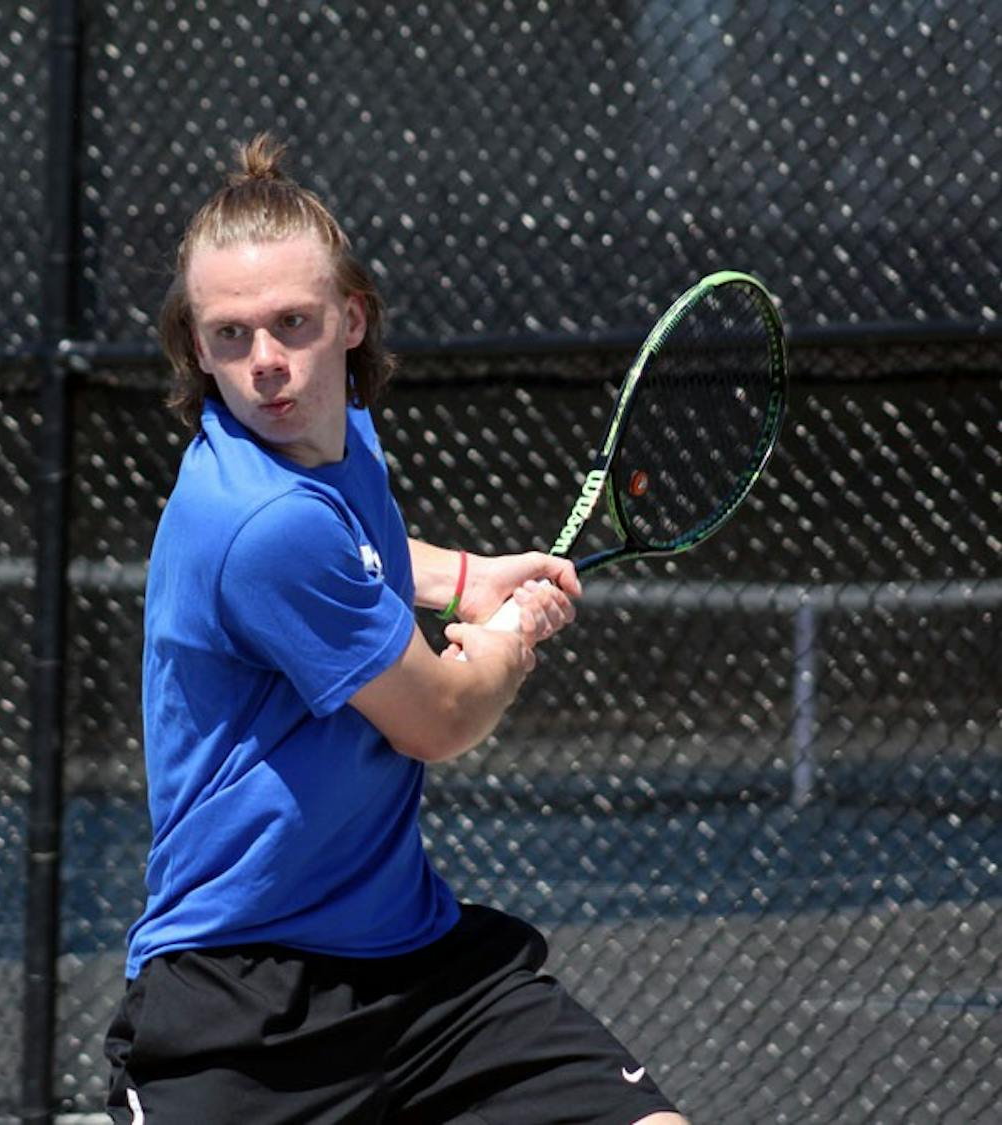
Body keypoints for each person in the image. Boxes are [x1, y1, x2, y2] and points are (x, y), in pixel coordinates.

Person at [104, 135, 686, 1125]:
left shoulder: (338, 442)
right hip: (245, 1003)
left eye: (293, 323)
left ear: (351, 320)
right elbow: (441, 719)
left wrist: (467, 579)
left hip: (422, 971)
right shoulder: (258, 522)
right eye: (231, 336)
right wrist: (505, 640)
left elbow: (362, 549)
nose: (267, 363)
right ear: (196, 349)